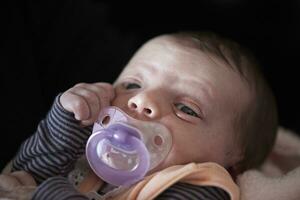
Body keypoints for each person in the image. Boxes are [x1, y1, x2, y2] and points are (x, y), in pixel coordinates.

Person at [3, 31, 278, 199]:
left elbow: (31, 189)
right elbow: (24, 176)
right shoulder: (87, 145)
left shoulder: (202, 185)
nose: (142, 100)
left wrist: (44, 194)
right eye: (132, 85)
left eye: (186, 109)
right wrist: (67, 120)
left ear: (233, 161)